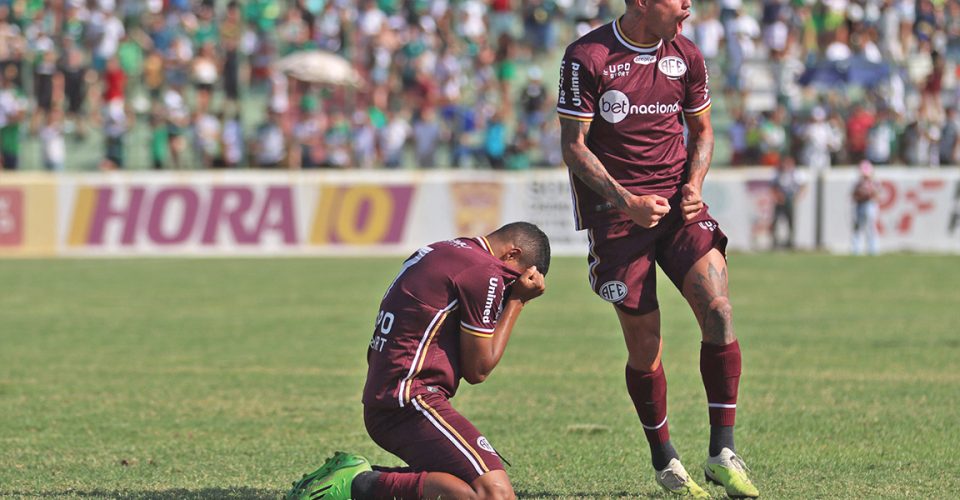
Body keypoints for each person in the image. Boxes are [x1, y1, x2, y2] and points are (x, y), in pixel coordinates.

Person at [556, 0, 758, 497]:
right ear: (643, 2)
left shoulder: (687, 55)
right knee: (646, 350)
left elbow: (703, 130)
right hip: (619, 220)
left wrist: (694, 183)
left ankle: (722, 454)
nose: (688, 4)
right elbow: (573, 145)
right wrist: (625, 201)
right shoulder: (588, 57)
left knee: (720, 311)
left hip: (678, 211)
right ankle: (665, 458)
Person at [286, 222, 551, 500]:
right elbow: (478, 370)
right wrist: (518, 301)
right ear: (511, 254)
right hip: (410, 402)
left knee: (463, 491)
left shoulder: (442, 250)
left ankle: (358, 479)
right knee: (495, 494)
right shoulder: (484, 270)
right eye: (512, 280)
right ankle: (354, 485)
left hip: (389, 395)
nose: (506, 288)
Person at [770, 156, 806, 249]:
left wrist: (797, 197)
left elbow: (803, 186)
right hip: (780, 200)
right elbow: (773, 186)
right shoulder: (778, 173)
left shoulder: (796, 173)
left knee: (791, 221)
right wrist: (778, 196)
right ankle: (775, 241)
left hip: (790, 199)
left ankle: (790, 241)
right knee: (776, 220)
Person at [851, 160, 880, 255]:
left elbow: (876, 195)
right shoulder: (858, 183)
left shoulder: (873, 182)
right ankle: (856, 249)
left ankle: (873, 248)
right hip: (860, 205)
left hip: (869, 204)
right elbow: (854, 195)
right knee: (858, 227)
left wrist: (869, 195)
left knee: (871, 227)